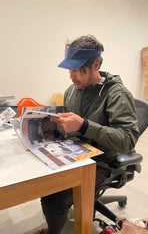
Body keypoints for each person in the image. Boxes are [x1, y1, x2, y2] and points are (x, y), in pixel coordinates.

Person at [35, 35, 139, 234]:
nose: (71, 75)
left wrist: (84, 126)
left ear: (95, 64)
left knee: (53, 198)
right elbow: (69, 126)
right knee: (41, 179)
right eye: (69, 69)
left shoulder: (116, 94)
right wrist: (53, 126)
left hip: (101, 162)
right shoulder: (72, 91)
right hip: (75, 153)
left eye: (76, 69)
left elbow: (127, 139)